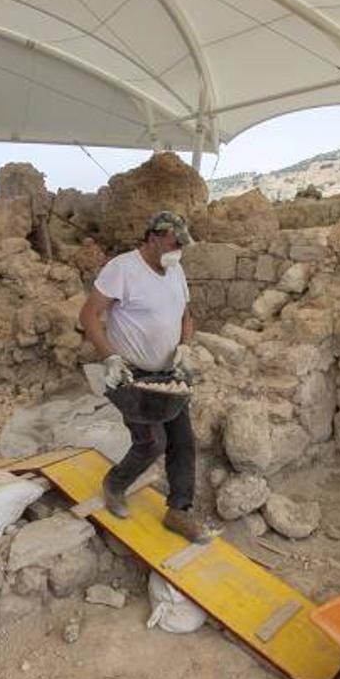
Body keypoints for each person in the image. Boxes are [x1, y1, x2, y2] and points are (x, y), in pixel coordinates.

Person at [78, 211, 205, 541]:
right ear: (153, 238)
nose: (179, 251)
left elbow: (186, 315)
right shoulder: (123, 269)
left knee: (183, 440)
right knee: (152, 442)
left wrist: (185, 347)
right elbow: (89, 314)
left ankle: (180, 510)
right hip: (129, 374)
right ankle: (115, 484)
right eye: (174, 243)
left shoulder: (175, 270)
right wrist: (110, 358)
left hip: (168, 374)